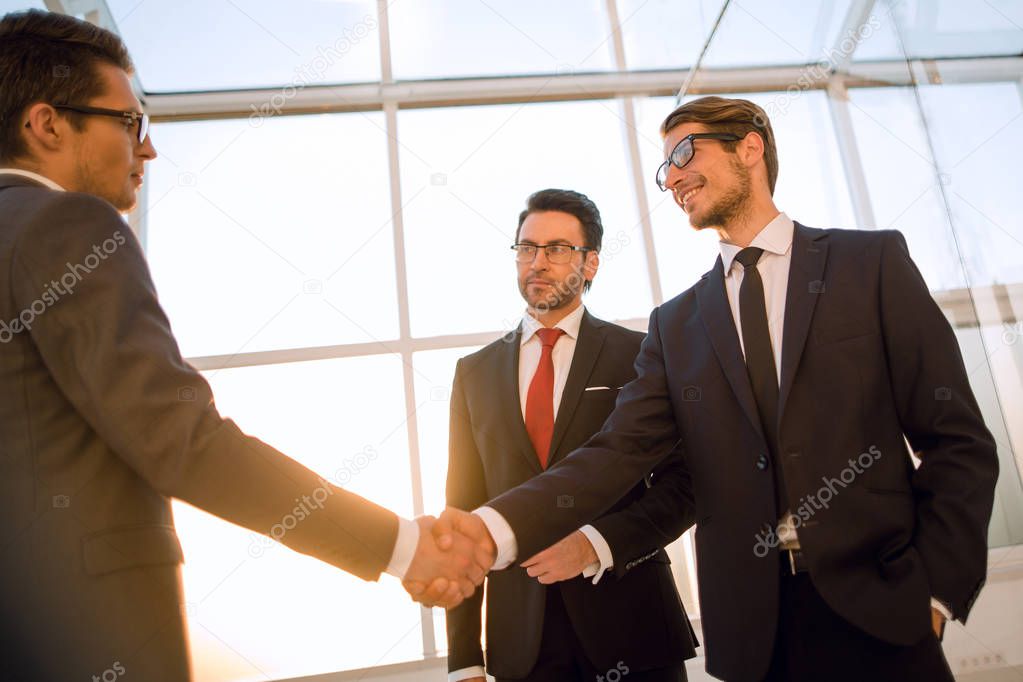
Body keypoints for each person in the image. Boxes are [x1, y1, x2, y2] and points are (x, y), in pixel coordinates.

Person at [422, 96, 999, 681]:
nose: (671, 176)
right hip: (753, 635)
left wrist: (935, 595)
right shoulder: (676, 324)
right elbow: (615, 453)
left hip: (884, 612)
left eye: (683, 152)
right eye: (664, 167)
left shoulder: (868, 264)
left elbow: (956, 443)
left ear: (750, 146)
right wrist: (489, 530)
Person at [0, 10, 486, 680]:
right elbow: (181, 442)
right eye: (130, 122)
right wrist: (402, 546)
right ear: (48, 123)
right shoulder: (67, 223)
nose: (148, 150)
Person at [445, 189, 697, 682]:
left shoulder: (641, 353)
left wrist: (597, 544)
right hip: (522, 647)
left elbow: (684, 485)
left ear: (591, 263)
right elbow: (463, 513)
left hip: (634, 628)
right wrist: (465, 660)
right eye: (527, 248)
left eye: (557, 249)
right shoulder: (472, 373)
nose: (537, 262)